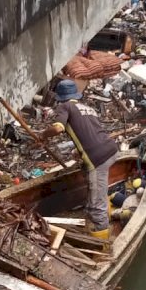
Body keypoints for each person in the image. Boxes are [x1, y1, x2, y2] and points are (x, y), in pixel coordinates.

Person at [37, 79, 118, 241]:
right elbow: (91, 134)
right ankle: (99, 206)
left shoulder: (65, 107)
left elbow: (58, 128)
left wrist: (43, 135)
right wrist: (78, 151)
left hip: (98, 159)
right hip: (111, 150)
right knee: (94, 185)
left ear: (60, 97)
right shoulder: (87, 108)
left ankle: (103, 243)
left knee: (97, 206)